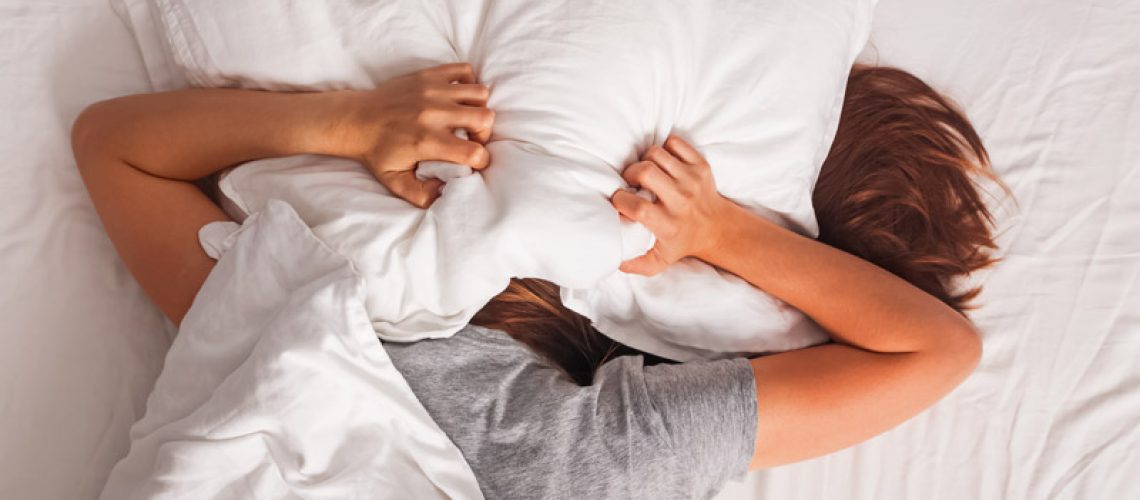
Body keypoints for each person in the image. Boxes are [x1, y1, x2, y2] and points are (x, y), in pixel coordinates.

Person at [72, 62, 998, 498]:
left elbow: (115, 147)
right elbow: (933, 350)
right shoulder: (572, 456)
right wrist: (723, 234)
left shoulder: (282, 334)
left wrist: (352, 123)